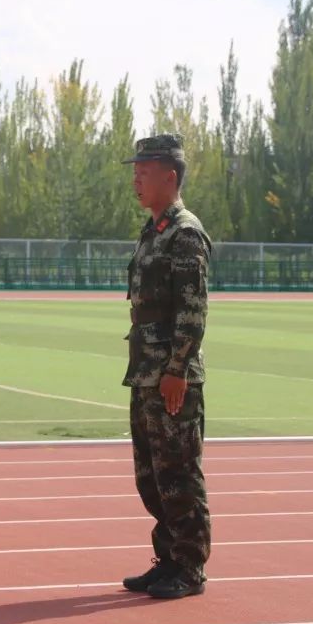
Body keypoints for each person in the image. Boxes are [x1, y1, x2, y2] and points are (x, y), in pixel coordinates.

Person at [120, 134, 211, 600]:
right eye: (135, 172)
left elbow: (192, 311)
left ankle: (190, 567)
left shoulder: (184, 233)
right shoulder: (153, 230)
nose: (136, 180)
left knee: (179, 474)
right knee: (152, 477)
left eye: (144, 172)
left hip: (172, 376)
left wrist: (177, 369)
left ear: (169, 177)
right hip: (146, 372)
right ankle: (169, 558)